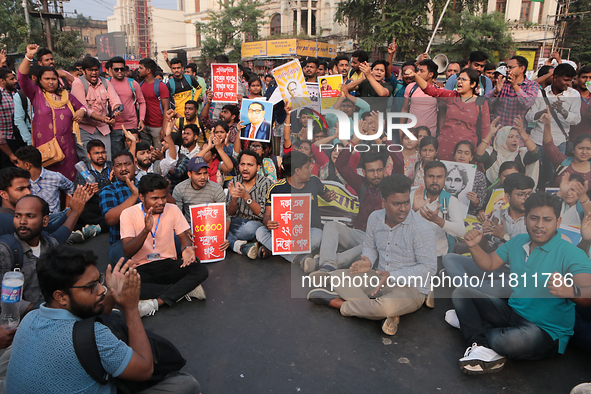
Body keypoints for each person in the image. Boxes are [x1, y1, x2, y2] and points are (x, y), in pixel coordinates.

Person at [6, 245, 200, 393]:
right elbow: (144, 369)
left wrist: (111, 293)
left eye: (99, 281)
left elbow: (94, 318)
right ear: (60, 296)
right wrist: (131, 308)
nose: (101, 289)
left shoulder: (30, 318)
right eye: (91, 286)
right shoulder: (96, 338)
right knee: (186, 384)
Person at [451, 192, 591, 375]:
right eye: (534, 218)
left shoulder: (572, 253)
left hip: (547, 331)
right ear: (525, 220)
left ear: (558, 222)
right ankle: (480, 345)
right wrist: (474, 246)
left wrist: (570, 290)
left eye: (547, 220)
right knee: (461, 293)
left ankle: (473, 327)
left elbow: (588, 293)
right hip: (513, 313)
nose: (539, 225)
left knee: (505, 342)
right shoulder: (518, 241)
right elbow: (489, 263)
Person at [307, 174, 437, 336]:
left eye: (406, 202)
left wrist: (392, 275)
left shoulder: (421, 228)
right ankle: (382, 314)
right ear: (384, 202)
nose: (403, 208)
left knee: (386, 306)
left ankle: (336, 302)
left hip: (410, 287)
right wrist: (368, 260)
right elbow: (370, 247)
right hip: (378, 277)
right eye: (397, 204)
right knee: (336, 276)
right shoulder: (375, 218)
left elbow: (428, 268)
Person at [120, 173, 211, 317]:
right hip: (142, 267)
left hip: (167, 263)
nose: (161, 202)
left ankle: (154, 303)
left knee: (201, 270)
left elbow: (184, 236)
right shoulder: (128, 214)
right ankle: (184, 289)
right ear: (142, 197)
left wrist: (187, 248)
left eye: (163, 197)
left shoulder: (172, 209)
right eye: (155, 198)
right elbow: (127, 251)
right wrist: (145, 231)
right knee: (125, 286)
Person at [442, 173, 534, 300]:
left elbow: (529, 255)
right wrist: (483, 237)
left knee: (497, 287)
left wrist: (504, 236)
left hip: (516, 274)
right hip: (491, 267)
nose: (527, 198)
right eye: (521, 194)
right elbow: (485, 249)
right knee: (450, 259)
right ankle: (471, 289)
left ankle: (469, 290)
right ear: (507, 197)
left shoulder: (535, 219)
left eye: (529, 194)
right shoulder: (497, 214)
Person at [309, 150, 388, 277]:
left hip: (378, 239)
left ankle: (327, 265)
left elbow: (400, 162)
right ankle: (327, 264)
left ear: (384, 170)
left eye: (379, 170)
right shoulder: (361, 184)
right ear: (364, 172)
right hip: (359, 233)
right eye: (371, 171)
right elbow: (341, 165)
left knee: (371, 246)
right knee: (331, 226)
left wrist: (385, 140)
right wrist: (351, 144)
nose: (376, 174)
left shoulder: (389, 186)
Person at [17, 44, 86, 181]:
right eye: (47, 79)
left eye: (53, 79)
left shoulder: (65, 95)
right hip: (45, 148)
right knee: (46, 182)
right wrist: (29, 56)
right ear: (39, 80)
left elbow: (82, 107)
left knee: (68, 182)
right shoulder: (36, 94)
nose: (51, 82)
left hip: (67, 147)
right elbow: (21, 77)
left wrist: (81, 112)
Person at [256, 151, 336, 262]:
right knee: (260, 231)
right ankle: (298, 258)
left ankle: (274, 250)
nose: (310, 170)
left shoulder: (314, 182)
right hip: (284, 234)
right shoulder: (276, 189)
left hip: (310, 232)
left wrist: (329, 196)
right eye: (307, 167)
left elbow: (326, 195)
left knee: (319, 235)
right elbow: (267, 216)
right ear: (297, 171)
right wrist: (269, 222)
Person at [405, 67, 491, 161]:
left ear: (473, 84)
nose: (459, 82)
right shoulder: (451, 96)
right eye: (459, 79)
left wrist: (484, 150)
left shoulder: (481, 103)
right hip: (445, 146)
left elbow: (485, 129)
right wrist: (415, 76)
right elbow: (431, 91)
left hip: (467, 151)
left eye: (463, 79)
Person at [526, 63, 581, 185]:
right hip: (537, 142)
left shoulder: (574, 95)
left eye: (570, 80)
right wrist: (543, 112)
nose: (568, 84)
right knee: (534, 177)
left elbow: (577, 119)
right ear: (555, 78)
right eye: (566, 80)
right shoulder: (540, 94)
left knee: (555, 178)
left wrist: (563, 111)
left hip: (558, 143)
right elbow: (529, 117)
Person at [411, 161, 466, 268]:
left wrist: (437, 220)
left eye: (439, 177)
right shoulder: (413, 195)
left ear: (445, 179)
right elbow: (397, 224)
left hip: (437, 256)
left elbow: (461, 231)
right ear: (424, 177)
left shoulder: (451, 201)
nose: (435, 181)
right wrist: (414, 209)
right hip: (410, 255)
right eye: (431, 176)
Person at [71, 56, 122, 161]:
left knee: (106, 159)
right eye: (90, 70)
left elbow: (115, 100)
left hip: (103, 128)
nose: (94, 73)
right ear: (84, 71)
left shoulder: (105, 83)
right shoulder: (78, 83)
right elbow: (84, 109)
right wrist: (103, 119)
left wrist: (116, 110)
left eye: (96, 70)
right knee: (87, 159)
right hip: (84, 128)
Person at [226, 150, 272, 259]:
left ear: (258, 167)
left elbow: (262, 214)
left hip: (255, 223)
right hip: (235, 221)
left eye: (250, 165)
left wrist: (247, 198)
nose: (245, 168)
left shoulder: (266, 183)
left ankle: (231, 239)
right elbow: (229, 212)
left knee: (250, 229)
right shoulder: (235, 180)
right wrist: (234, 199)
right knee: (220, 225)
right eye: (242, 164)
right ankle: (240, 245)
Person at [99, 151, 141, 264]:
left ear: (135, 165)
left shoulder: (146, 184)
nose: (123, 168)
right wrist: (134, 196)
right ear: (114, 169)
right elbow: (110, 219)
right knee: (126, 260)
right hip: (121, 242)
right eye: (118, 166)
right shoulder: (108, 190)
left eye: (127, 164)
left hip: (150, 236)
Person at [475, 116, 540, 186]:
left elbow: (536, 154)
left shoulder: (521, 154)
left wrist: (523, 133)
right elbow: (478, 156)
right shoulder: (492, 153)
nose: (515, 140)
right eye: (510, 137)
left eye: (517, 137)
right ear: (502, 138)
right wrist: (490, 133)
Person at [108, 56, 147, 157]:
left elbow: (142, 102)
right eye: (116, 69)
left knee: (133, 156)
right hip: (114, 127)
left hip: (132, 126)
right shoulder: (106, 83)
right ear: (111, 70)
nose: (120, 71)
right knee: (117, 157)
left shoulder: (132, 83)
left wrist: (141, 119)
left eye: (122, 69)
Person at [541, 112, 591, 189]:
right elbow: (548, 145)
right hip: (557, 200)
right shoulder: (562, 161)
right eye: (581, 148)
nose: (584, 152)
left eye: (589, 149)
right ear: (573, 149)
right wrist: (547, 125)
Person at [486, 55, 539, 127]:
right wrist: (495, 92)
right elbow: (485, 101)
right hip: (499, 130)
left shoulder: (532, 85)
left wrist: (515, 86)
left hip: (517, 133)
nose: (507, 70)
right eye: (507, 67)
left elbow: (528, 103)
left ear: (522, 69)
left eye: (511, 67)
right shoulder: (503, 83)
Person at [138, 58, 170, 149]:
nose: (138, 70)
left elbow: (166, 109)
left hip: (158, 127)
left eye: (141, 68)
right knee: (146, 154)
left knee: (159, 154)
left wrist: (164, 128)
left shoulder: (161, 86)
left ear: (148, 70)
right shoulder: (140, 85)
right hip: (144, 126)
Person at [402, 59, 439, 136]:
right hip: (411, 133)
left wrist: (440, 133)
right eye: (418, 70)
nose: (418, 73)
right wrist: (401, 129)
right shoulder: (411, 87)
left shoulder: (438, 91)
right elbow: (404, 109)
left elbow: (442, 113)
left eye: (421, 71)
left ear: (430, 74)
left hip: (430, 134)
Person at [452, 140, 487, 215]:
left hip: (468, 215)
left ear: (471, 157)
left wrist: (475, 201)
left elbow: (482, 203)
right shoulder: (443, 172)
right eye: (459, 152)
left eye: (466, 153)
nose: (462, 156)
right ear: (454, 155)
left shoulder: (479, 176)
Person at [0, 68, 23, 168]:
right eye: (11, 79)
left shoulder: (17, 93)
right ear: (2, 81)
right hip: (5, 141)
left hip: (19, 138)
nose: (15, 81)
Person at [570, 65, 591, 142]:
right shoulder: (570, 94)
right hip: (571, 140)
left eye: (590, 78)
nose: (587, 81)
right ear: (577, 78)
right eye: (584, 77)